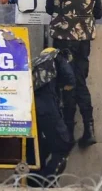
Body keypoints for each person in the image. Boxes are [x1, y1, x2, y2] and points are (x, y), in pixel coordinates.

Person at [46, 0, 102, 148]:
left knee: (66, 83)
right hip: (83, 41)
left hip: (63, 40)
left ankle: (68, 132)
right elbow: (98, 13)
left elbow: (49, 9)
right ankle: (89, 129)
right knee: (80, 81)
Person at [30, 47, 76, 182]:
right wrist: (66, 87)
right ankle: (46, 181)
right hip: (48, 108)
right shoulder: (57, 56)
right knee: (63, 146)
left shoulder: (34, 63)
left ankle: (33, 182)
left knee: (39, 149)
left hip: (32, 110)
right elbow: (69, 79)